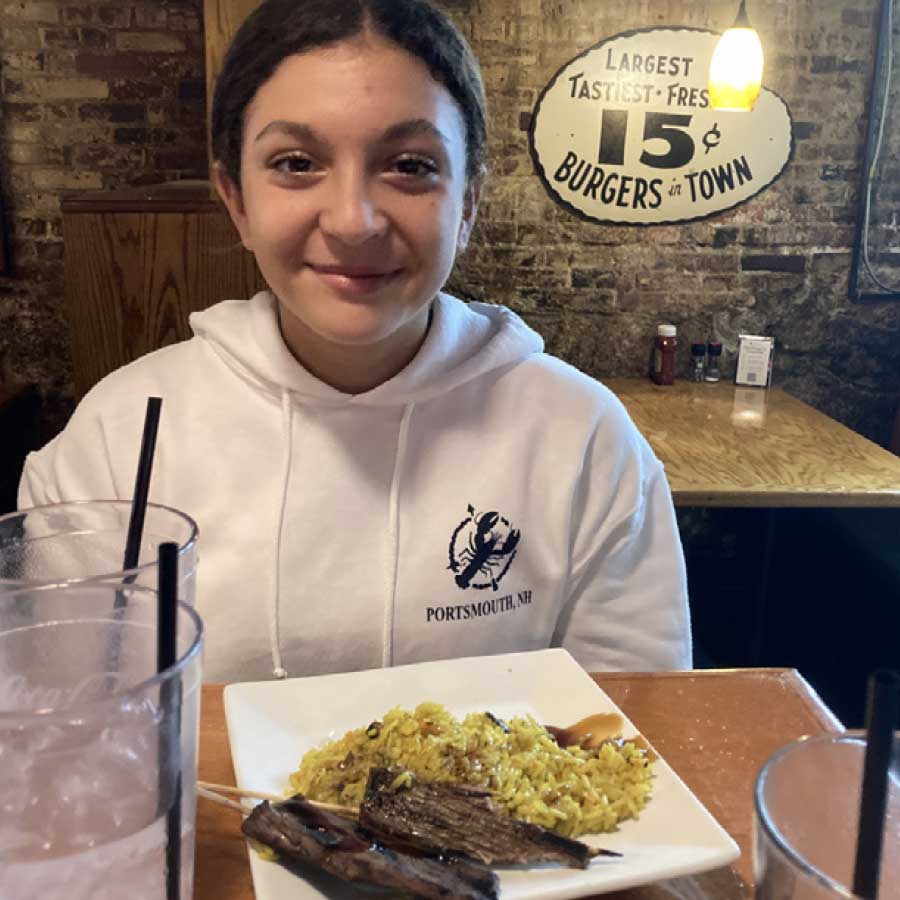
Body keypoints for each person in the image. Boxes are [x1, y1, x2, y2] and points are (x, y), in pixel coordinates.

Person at [19, 0, 691, 682]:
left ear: (468, 206)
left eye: (409, 165)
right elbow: (63, 731)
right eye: (296, 162)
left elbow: (640, 733)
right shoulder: (117, 439)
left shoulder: (585, 439)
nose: (353, 221)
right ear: (237, 201)